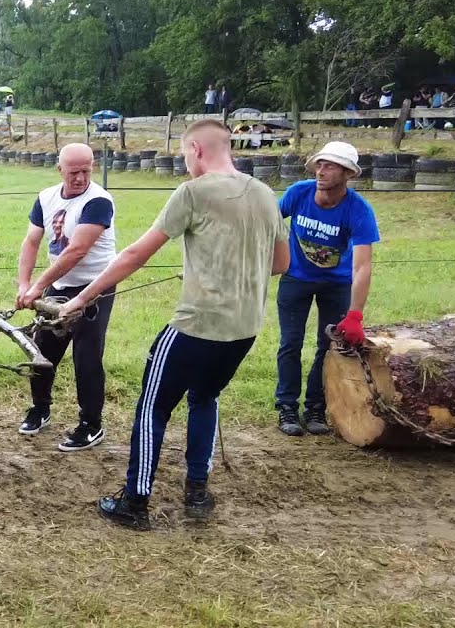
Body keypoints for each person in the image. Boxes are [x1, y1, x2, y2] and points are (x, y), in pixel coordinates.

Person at [57, 120, 287, 529]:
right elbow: (281, 264)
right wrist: (215, 270)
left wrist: (80, 297)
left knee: (152, 408)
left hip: (195, 326)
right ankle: (197, 491)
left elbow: (134, 255)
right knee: (204, 399)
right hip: (244, 330)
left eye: (184, 155)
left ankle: (135, 501)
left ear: (196, 149)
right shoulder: (266, 194)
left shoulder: (193, 193)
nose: (185, 163)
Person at [15, 144, 117, 451]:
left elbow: (77, 251)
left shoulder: (99, 201)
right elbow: (32, 241)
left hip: (93, 288)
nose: (80, 178)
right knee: (42, 352)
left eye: (86, 170)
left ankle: (91, 424)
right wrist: (24, 284)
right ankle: (41, 409)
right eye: (74, 172)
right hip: (58, 288)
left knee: (86, 357)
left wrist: (38, 286)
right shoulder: (46, 197)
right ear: (61, 170)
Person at [274, 142, 378, 436]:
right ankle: (287, 408)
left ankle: (316, 408)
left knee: (327, 347)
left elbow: (362, 266)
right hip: (295, 277)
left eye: (330, 165)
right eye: (319, 164)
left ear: (348, 173)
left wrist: (355, 315)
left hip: (336, 284)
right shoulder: (299, 193)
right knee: (290, 343)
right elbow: (265, 222)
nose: (321, 170)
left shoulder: (358, 209)